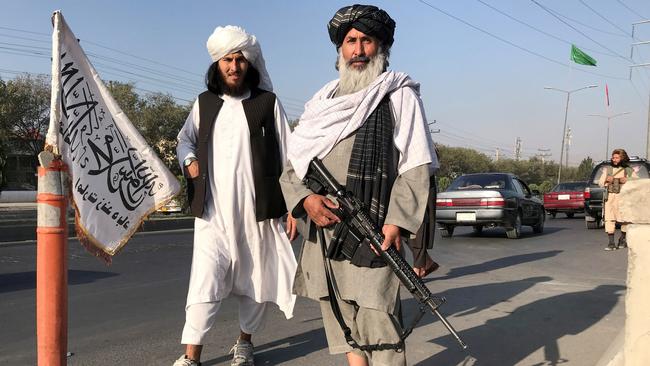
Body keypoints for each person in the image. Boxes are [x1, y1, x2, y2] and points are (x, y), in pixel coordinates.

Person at [280, 5, 438, 366]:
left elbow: (416, 166)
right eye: (350, 41)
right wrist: (305, 201)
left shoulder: (398, 96)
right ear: (340, 50)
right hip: (327, 230)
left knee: (378, 321)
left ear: (381, 48)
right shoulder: (321, 103)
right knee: (342, 321)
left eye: (367, 41)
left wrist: (397, 222)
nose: (358, 50)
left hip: (374, 231)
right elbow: (293, 164)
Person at [174, 25, 297, 366]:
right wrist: (190, 160)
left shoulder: (266, 103)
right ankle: (191, 356)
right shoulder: (205, 104)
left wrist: (292, 208)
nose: (234, 66)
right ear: (217, 64)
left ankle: (244, 342)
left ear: (250, 65)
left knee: (256, 282)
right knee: (204, 284)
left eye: (240, 60)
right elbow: (184, 140)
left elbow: (290, 156)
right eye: (227, 60)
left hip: (258, 213)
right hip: (212, 214)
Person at [599, 148, 637, 251]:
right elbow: (600, 182)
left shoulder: (628, 170)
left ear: (622, 158)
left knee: (625, 220)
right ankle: (611, 243)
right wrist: (607, 179)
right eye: (613, 157)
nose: (614, 159)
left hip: (624, 198)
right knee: (609, 219)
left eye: (617, 157)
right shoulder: (608, 169)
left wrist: (626, 180)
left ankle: (622, 239)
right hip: (610, 198)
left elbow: (636, 181)